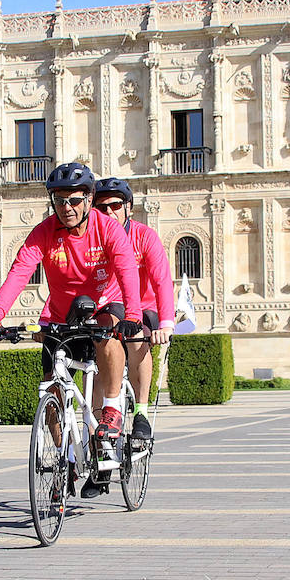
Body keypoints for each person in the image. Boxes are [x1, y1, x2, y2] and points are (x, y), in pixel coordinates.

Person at [0, 162, 141, 450]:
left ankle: (113, 407)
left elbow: (128, 270)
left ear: (89, 200)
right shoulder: (44, 232)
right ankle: (64, 458)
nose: (66, 207)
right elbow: (20, 272)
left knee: (108, 333)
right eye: (59, 200)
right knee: (51, 388)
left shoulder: (108, 229)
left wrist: (133, 315)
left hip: (106, 303)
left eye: (74, 200)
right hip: (61, 315)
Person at [92, 177, 174, 442]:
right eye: (101, 208)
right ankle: (98, 427)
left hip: (144, 306)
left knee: (137, 342)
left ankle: (141, 412)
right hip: (109, 306)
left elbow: (162, 280)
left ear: (128, 207)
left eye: (115, 206)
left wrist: (166, 324)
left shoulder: (144, 236)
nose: (108, 213)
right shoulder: (93, 239)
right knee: (97, 353)